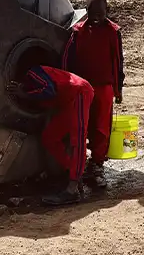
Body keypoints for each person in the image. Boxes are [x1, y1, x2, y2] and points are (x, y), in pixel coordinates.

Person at [62, 0, 125, 188]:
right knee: (80, 126)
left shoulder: (113, 32)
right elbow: (67, 62)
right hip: (82, 88)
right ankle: (76, 166)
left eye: (101, 12)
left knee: (101, 127)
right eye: (93, 12)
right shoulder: (77, 32)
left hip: (105, 87)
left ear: (107, 11)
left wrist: (118, 90)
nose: (97, 17)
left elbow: (118, 62)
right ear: (86, 11)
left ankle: (97, 165)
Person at [8, 64, 95, 206]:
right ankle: (73, 172)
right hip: (68, 99)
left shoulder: (33, 72)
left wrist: (23, 94)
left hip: (80, 92)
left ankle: (72, 190)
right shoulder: (32, 82)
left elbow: (49, 92)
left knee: (77, 138)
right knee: (50, 137)